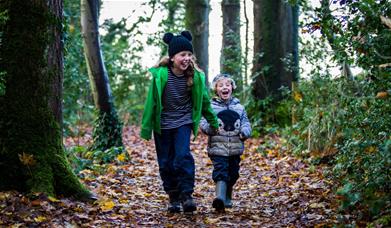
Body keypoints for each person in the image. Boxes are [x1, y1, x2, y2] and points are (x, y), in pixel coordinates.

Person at [140, 31, 219, 213]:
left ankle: (187, 195)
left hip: (183, 123)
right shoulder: (160, 75)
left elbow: (204, 101)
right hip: (163, 125)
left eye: (189, 55)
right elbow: (151, 102)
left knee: (182, 157)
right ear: (173, 57)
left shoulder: (196, 77)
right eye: (183, 55)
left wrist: (213, 121)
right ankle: (173, 196)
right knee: (166, 162)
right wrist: (146, 128)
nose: (187, 58)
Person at [200, 74, 252, 212]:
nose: (224, 87)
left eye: (227, 85)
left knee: (233, 174)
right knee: (221, 171)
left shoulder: (239, 107)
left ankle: (228, 197)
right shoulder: (211, 107)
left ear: (232, 88)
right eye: (220, 85)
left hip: (235, 147)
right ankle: (220, 198)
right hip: (217, 147)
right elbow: (203, 122)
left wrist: (245, 131)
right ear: (216, 89)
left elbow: (246, 123)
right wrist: (210, 128)